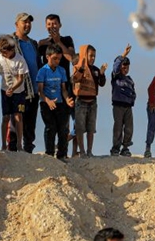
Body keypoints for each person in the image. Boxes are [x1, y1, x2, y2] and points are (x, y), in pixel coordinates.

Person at [37, 14, 76, 154]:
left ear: (60, 25)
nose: (52, 26)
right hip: (47, 89)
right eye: (49, 24)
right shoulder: (42, 44)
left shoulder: (67, 39)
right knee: (50, 126)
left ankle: (62, 153)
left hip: (63, 84)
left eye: (54, 23)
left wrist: (58, 42)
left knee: (63, 125)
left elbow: (73, 59)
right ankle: (49, 153)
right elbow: (38, 66)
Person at [0, 35, 28, 151]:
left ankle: (19, 145)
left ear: (12, 50)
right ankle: (3, 145)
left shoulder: (20, 60)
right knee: (5, 117)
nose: (3, 54)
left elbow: (21, 79)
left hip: (19, 91)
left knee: (18, 116)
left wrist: (13, 88)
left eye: (5, 52)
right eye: (1, 52)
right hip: (5, 91)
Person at [12, 12, 40, 153]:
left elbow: (38, 64)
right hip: (18, 88)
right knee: (16, 118)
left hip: (33, 89)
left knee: (30, 121)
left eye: (29, 22)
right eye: (24, 22)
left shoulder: (33, 43)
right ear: (17, 24)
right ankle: (13, 147)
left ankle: (28, 148)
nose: (27, 24)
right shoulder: (11, 42)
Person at [72, 45, 107, 157]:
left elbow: (101, 83)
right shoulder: (78, 67)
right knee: (80, 128)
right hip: (81, 101)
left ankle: (89, 151)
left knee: (91, 128)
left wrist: (102, 74)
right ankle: (81, 151)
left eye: (94, 56)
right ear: (84, 55)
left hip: (92, 102)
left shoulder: (96, 70)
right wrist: (81, 69)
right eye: (91, 55)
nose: (93, 58)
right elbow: (74, 79)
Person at [110, 44, 136, 157]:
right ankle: (116, 147)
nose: (125, 69)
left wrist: (132, 100)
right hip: (118, 106)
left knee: (129, 127)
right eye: (123, 67)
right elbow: (115, 67)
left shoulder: (129, 80)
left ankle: (125, 147)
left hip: (128, 106)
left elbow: (133, 92)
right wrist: (123, 55)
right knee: (118, 127)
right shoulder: (116, 77)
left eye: (127, 67)